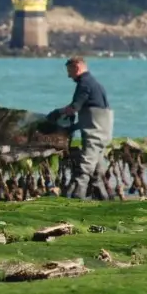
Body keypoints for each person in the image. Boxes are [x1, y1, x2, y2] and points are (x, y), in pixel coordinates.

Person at [49, 56, 113, 200]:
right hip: (103, 132)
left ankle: (78, 198)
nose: (68, 75)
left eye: (69, 71)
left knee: (85, 167)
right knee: (97, 169)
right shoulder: (95, 83)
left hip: (93, 133)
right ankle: (105, 199)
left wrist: (57, 112)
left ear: (77, 67)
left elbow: (73, 108)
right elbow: (99, 109)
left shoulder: (84, 84)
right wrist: (75, 126)